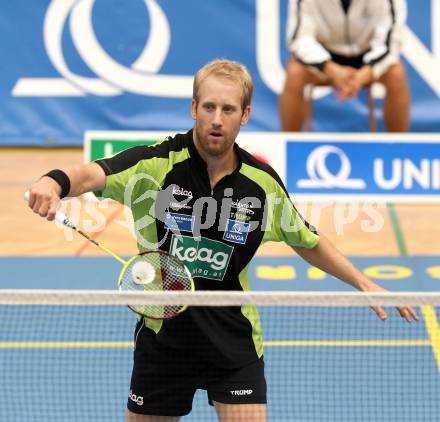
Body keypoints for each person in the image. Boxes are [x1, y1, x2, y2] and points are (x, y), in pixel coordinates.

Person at [27, 59, 418, 422]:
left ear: (244, 115)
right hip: (164, 343)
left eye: (228, 109)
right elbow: (89, 175)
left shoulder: (261, 185)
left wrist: (363, 282)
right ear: (193, 108)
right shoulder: (154, 166)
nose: (217, 119)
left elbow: (306, 240)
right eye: (209, 107)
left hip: (232, 342)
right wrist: (54, 182)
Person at [280, 0, 411, 132]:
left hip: (368, 56)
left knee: (396, 73)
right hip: (324, 56)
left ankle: (398, 147)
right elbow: (299, 39)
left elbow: (391, 43)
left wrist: (364, 74)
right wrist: (329, 68)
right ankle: (287, 146)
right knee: (295, 72)